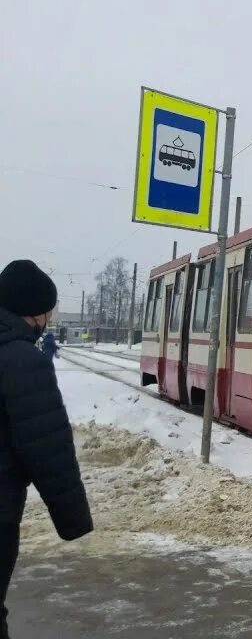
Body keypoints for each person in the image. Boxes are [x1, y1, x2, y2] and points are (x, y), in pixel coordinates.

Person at [0, 260, 94, 636]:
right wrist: (74, 522)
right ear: (34, 312)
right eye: (49, 311)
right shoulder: (24, 362)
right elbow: (48, 448)